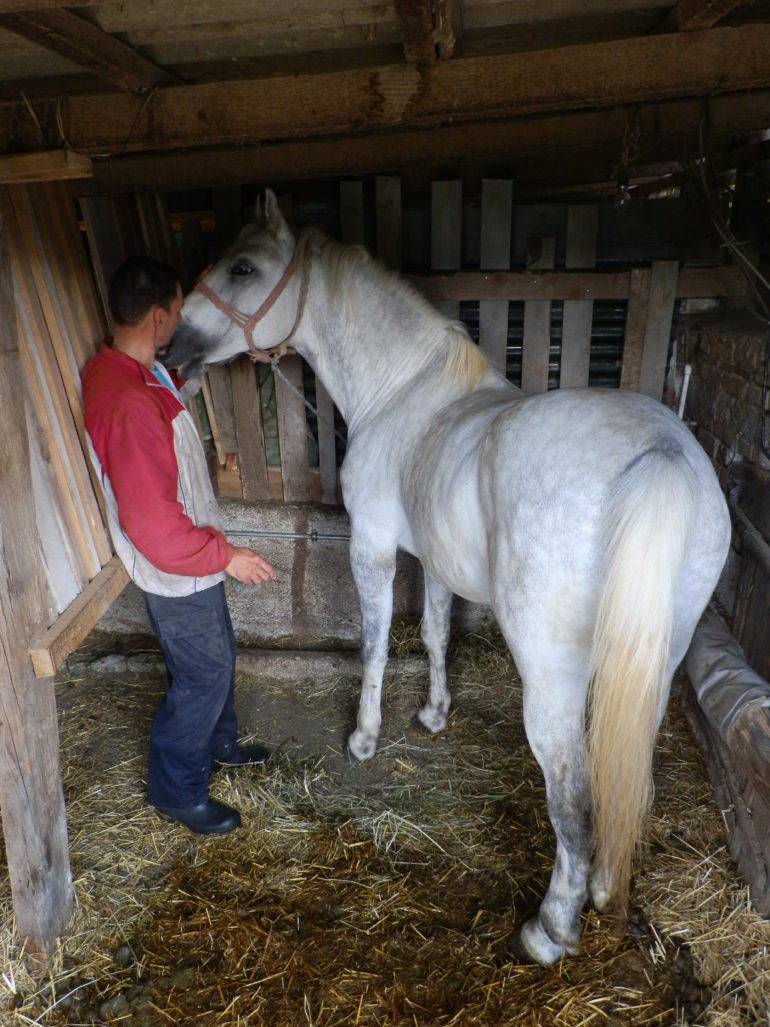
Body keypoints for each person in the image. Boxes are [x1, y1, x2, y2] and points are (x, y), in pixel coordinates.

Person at [82, 256, 277, 836]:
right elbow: (156, 529)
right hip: (176, 566)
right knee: (202, 676)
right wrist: (227, 557)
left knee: (217, 658)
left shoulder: (128, 369)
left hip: (191, 556)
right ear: (162, 318)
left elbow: (171, 390)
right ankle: (177, 791)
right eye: (180, 313)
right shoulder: (129, 402)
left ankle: (220, 743)